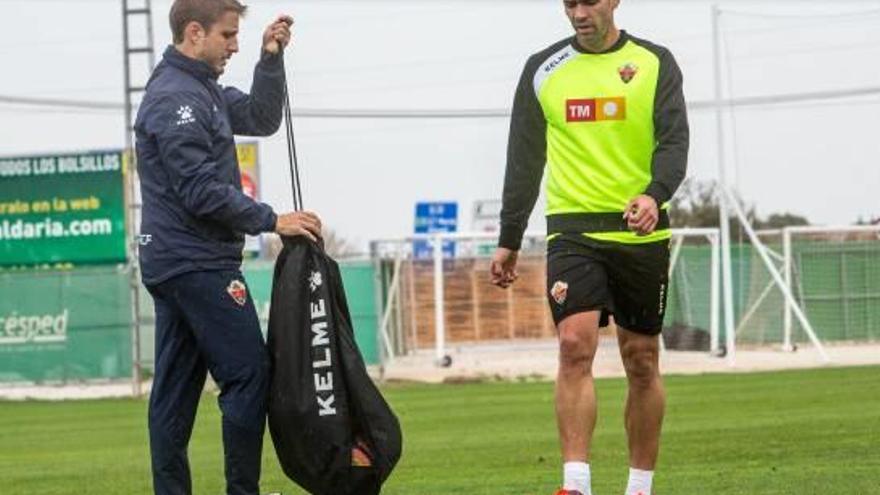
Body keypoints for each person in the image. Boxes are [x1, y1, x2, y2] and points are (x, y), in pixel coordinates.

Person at [490, 1, 688, 494]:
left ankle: (639, 487)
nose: (579, 12)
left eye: (589, 1)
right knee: (574, 345)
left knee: (641, 358)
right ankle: (575, 484)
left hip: (640, 231)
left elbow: (674, 143)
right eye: (569, 2)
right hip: (573, 230)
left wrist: (654, 195)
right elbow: (524, 158)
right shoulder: (542, 70)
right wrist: (509, 239)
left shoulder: (654, 62)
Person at [134, 1, 321, 494]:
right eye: (228, 36)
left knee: (174, 395)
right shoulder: (177, 100)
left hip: (175, 262)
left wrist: (270, 57)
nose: (234, 46)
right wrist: (272, 220)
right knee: (248, 375)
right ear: (194, 33)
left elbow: (262, 117)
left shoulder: (201, 90)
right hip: (197, 263)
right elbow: (198, 191)